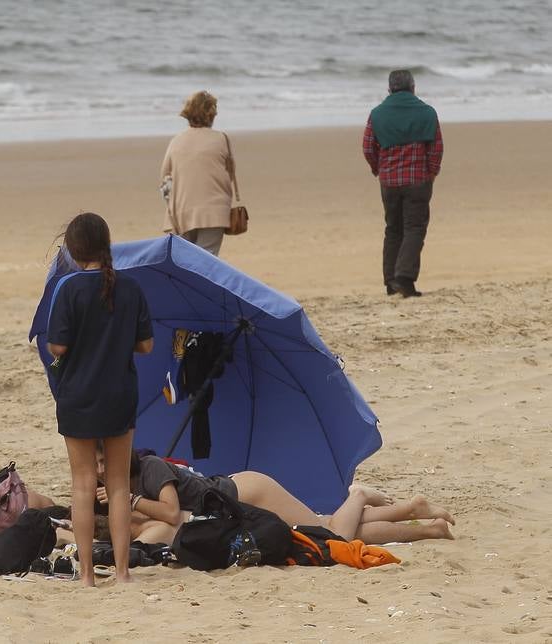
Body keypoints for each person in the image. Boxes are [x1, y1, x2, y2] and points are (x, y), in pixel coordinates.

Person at [46, 212, 154, 586]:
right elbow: (146, 344)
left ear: (74, 251)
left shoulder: (68, 287)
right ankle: (123, 572)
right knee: (120, 484)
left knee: (82, 484)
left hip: (78, 395)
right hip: (119, 393)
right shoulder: (130, 287)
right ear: (107, 245)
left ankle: (88, 574)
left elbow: (57, 344)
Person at [97, 451, 454, 547]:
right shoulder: (123, 481)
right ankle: (423, 521)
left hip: (248, 492)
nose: (98, 467)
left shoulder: (149, 468)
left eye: (103, 458)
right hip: (235, 501)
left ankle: (359, 494)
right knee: (332, 533)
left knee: (333, 535)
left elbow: (172, 513)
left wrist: (127, 500)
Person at [363, 69, 443, 297]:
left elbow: (368, 147)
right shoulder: (427, 112)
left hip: (389, 181)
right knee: (414, 228)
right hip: (418, 179)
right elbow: (436, 149)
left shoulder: (377, 114)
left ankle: (390, 282)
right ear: (413, 88)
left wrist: (378, 168)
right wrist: (432, 173)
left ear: (389, 89)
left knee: (393, 229)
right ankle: (404, 278)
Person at [160, 91, 235, 256]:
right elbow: (230, 174)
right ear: (212, 114)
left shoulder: (176, 141)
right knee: (205, 263)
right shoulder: (222, 139)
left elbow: (165, 179)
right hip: (214, 212)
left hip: (180, 212)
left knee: (183, 263)